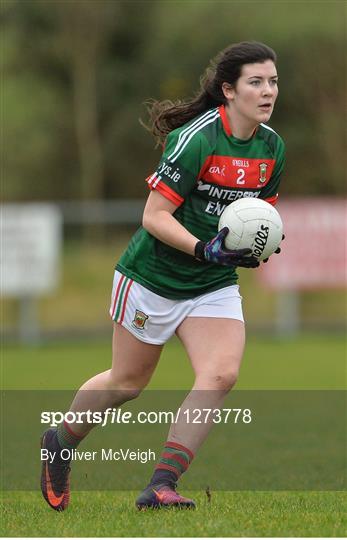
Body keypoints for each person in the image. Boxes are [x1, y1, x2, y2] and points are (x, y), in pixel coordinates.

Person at [41, 40, 285, 511]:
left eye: (273, 81)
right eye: (255, 81)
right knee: (127, 384)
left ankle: (161, 484)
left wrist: (259, 244)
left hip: (211, 283)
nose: (268, 90)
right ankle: (59, 440)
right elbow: (154, 215)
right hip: (152, 277)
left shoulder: (273, 148)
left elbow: (259, 216)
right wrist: (202, 247)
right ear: (228, 90)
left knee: (220, 374)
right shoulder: (198, 138)